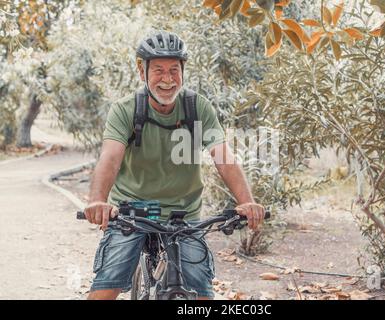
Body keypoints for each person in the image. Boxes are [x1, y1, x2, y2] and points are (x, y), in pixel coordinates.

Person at [84, 30, 265, 300]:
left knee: (203, 295)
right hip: (132, 213)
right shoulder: (126, 109)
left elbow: (224, 157)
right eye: (158, 70)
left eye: (174, 70)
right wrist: (98, 200)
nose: (167, 79)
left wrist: (247, 202)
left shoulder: (197, 108)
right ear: (141, 70)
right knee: (105, 291)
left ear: (183, 71)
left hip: (185, 215)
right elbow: (110, 159)